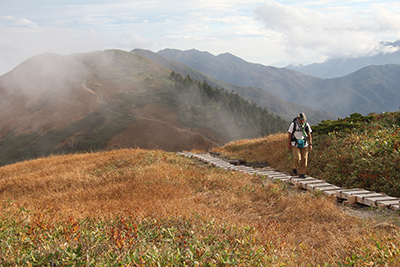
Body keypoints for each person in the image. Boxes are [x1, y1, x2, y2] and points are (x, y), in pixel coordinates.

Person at [287, 113, 313, 178]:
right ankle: (294, 167)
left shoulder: (306, 125)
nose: (302, 121)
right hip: (295, 143)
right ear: (298, 119)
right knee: (298, 157)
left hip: (304, 143)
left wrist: (310, 144)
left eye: (303, 120)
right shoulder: (294, 125)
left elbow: (309, 134)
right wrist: (289, 144)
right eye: (301, 120)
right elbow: (289, 134)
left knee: (304, 158)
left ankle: (302, 173)